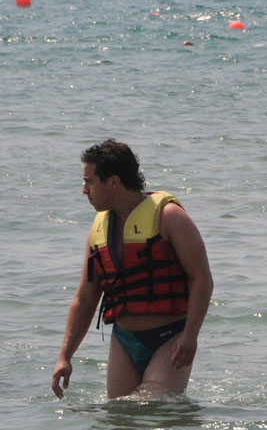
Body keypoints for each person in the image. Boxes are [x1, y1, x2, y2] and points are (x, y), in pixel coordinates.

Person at [52, 140, 213, 399]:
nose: (84, 190)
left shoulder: (169, 217)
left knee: (152, 410)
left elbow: (202, 279)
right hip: (124, 340)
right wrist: (64, 357)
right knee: (120, 420)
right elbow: (85, 297)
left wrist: (190, 336)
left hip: (169, 338)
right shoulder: (99, 229)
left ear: (113, 181)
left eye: (90, 181)